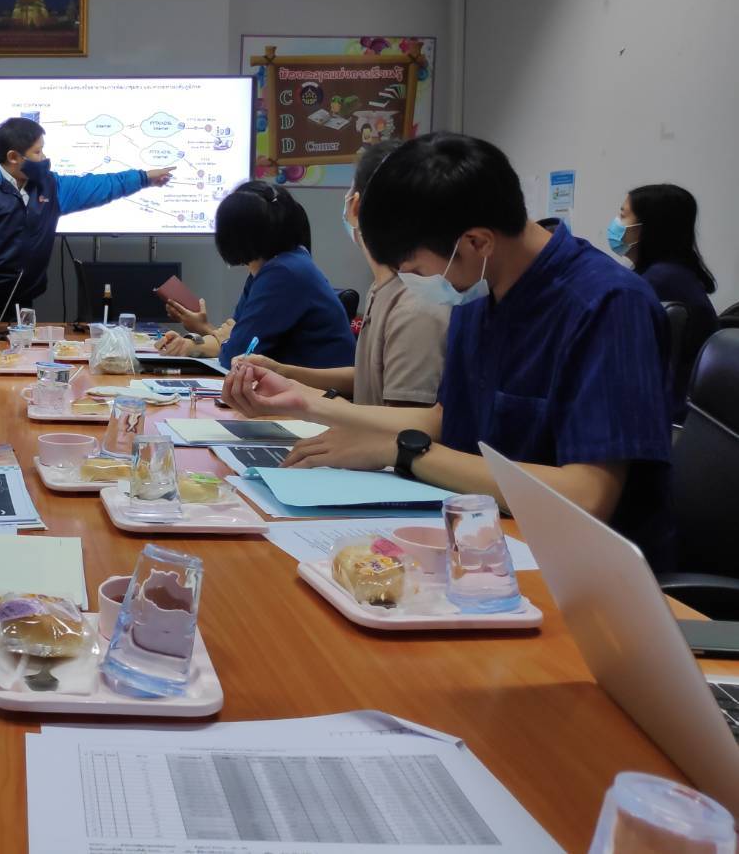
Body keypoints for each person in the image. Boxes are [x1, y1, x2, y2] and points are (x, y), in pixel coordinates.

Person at [222, 133, 675, 567]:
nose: (416, 284)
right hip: (481, 539)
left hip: (578, 569)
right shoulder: (480, 292)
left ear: (477, 242)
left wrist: (403, 451)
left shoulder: (607, 305)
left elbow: (586, 495)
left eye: (416, 269)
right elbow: (444, 419)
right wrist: (306, 401)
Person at [240, 144, 450, 406]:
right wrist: (284, 375)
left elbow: (401, 428)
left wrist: (306, 402)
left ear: (356, 205)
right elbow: (369, 380)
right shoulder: (385, 288)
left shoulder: (414, 305)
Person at [0, 117, 175, 319]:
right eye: (38, 152)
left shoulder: (50, 187)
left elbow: (100, 185)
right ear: (13, 157)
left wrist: (144, 177)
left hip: (21, 299)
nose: (44, 159)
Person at [159, 181, 355, 368]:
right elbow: (234, 339)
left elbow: (236, 353)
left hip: (321, 394)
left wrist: (222, 337)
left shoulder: (283, 273)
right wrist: (188, 344)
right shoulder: (271, 268)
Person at [610, 183, 719, 418]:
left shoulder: (661, 280)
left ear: (648, 227)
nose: (616, 224)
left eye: (622, 215)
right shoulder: (668, 274)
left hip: (665, 415)